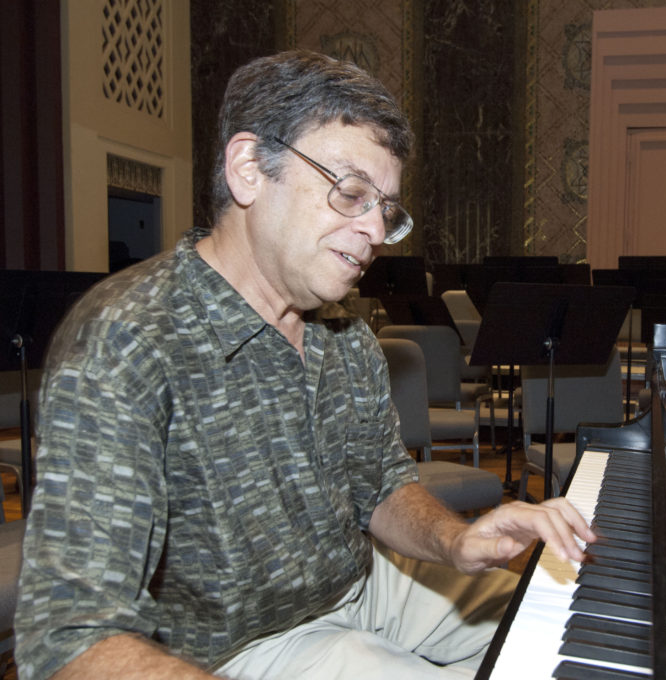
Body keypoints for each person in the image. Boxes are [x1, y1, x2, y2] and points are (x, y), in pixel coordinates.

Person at [14, 50, 596, 680]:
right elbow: (69, 640)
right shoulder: (127, 340)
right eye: (350, 193)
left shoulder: (344, 329)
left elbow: (382, 488)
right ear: (248, 169)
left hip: (369, 583)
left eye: (386, 209)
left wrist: (457, 540)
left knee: (566, 633)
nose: (374, 229)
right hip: (240, 646)